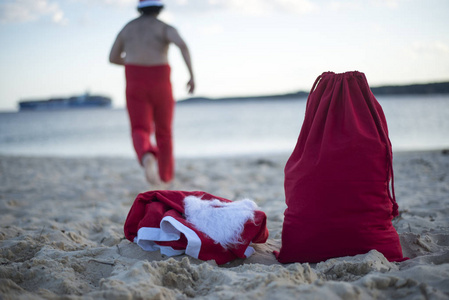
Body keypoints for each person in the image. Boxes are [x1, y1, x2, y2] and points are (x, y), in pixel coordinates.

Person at [109, 0, 195, 186]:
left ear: (140, 7)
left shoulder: (127, 29)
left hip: (134, 79)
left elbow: (112, 57)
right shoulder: (164, 27)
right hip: (160, 79)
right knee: (164, 132)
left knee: (139, 128)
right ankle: (165, 177)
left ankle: (147, 155)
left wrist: (133, 61)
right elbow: (183, 45)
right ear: (159, 7)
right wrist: (191, 76)